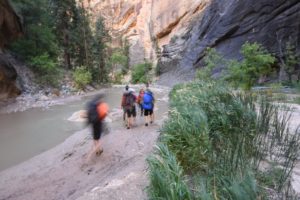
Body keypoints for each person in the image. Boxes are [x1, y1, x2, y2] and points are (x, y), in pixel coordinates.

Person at [86, 94, 109, 161]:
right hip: (98, 123)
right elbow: (104, 113)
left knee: (95, 138)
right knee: (98, 140)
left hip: (92, 123)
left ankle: (98, 151)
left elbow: (87, 114)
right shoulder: (99, 104)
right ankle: (89, 157)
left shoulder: (90, 103)